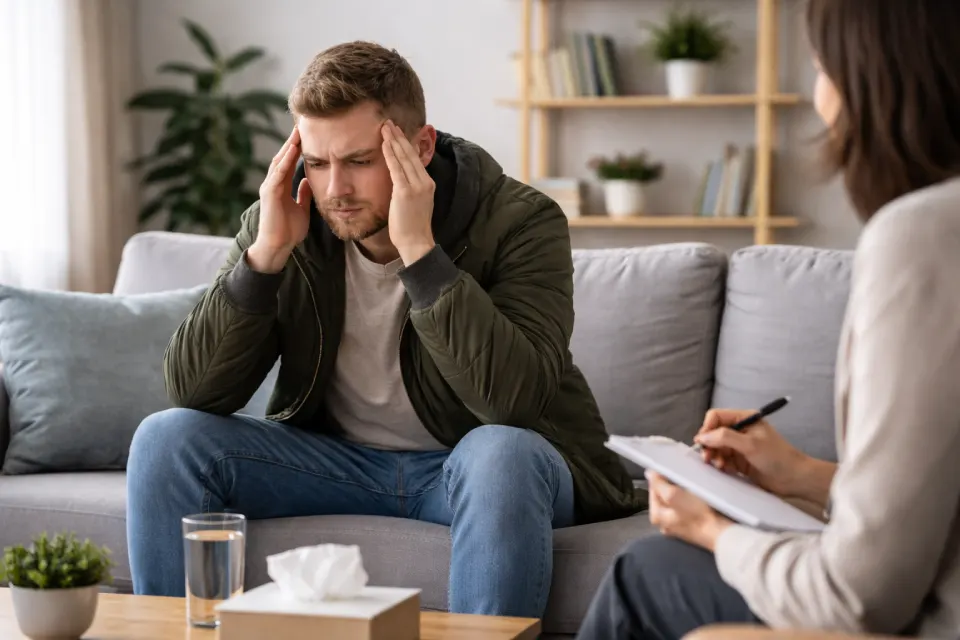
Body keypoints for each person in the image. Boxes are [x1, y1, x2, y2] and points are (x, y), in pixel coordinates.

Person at [125, 40, 642, 618]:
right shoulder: (286, 219)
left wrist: (421, 252)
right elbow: (194, 393)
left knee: (503, 453)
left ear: (419, 147)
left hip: (468, 466)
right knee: (166, 437)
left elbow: (512, 401)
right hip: (335, 463)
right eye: (317, 163)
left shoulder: (522, 221)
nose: (335, 190)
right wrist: (266, 256)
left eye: (359, 161)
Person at [576, 1, 960, 638]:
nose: (819, 98)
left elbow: (857, 598)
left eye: (820, 68)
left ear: (872, 78)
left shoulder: (925, 237)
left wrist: (712, 529)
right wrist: (800, 476)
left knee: (647, 569)